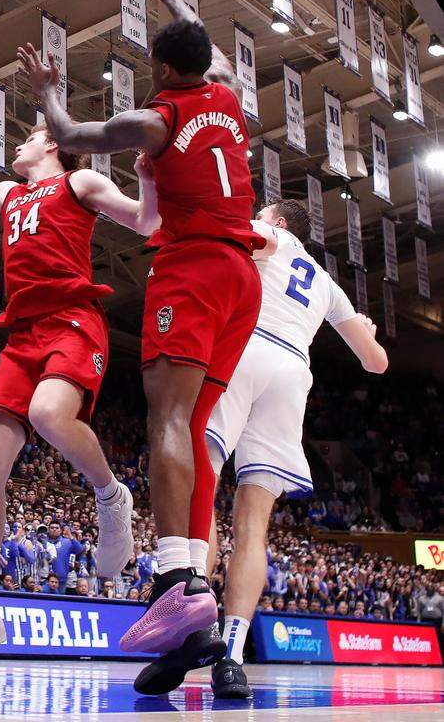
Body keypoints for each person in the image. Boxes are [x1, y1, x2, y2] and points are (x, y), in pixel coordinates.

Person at [15, 0, 278, 675]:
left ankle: (171, 580)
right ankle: (196, 631)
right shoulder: (228, 97)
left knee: (167, 419)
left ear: (161, 67)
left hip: (191, 270)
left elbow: (72, 132)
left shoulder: (156, 118)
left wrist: (47, 92)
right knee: (192, 432)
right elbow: (213, 52)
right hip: (242, 280)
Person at [0, 105, 156, 655]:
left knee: (46, 413)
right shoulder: (9, 196)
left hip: (72, 321)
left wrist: (151, 179)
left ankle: (111, 496)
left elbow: (146, 221)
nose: (21, 143)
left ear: (54, 146)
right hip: (21, 336)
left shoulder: (80, 180)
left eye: (31, 135)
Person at [138, 201, 386, 697]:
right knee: (254, 525)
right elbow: (376, 362)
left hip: (244, 347)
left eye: (263, 210)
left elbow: (226, 238)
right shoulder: (327, 285)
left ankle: (193, 628)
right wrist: (368, 331)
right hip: (293, 374)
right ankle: (230, 658)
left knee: (198, 486)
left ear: (281, 221)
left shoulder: (269, 236)